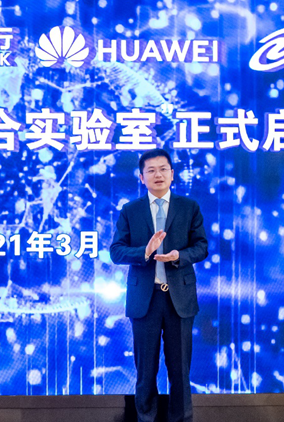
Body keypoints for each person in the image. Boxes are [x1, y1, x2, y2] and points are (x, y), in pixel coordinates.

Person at [110, 149, 208, 422]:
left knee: (180, 370)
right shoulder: (130, 211)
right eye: (151, 170)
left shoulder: (189, 207)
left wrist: (179, 256)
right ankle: (146, 417)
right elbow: (116, 251)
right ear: (142, 177)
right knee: (145, 370)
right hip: (145, 299)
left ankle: (182, 418)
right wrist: (145, 251)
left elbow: (201, 247)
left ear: (172, 174)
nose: (158, 175)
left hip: (179, 299)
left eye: (163, 169)